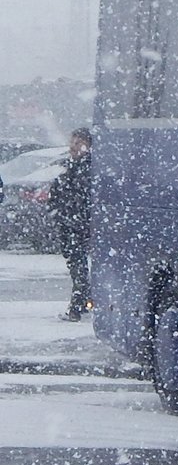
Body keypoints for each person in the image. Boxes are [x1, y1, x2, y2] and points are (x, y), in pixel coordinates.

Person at [49, 127, 92, 321]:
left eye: (78, 143)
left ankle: (78, 305)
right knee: (77, 266)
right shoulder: (72, 167)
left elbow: (81, 198)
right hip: (72, 225)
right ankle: (82, 302)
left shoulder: (87, 169)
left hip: (79, 226)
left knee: (79, 267)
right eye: (72, 142)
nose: (73, 147)